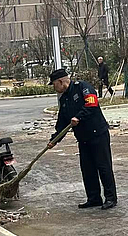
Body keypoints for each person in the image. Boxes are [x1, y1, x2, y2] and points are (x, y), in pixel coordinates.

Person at [48, 69, 117, 210]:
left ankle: (111, 198)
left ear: (60, 81)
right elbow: (62, 124)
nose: (54, 88)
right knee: (87, 169)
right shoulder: (64, 99)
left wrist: (78, 117)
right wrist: (54, 139)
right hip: (83, 138)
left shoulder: (82, 87)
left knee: (103, 167)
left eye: (54, 85)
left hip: (98, 134)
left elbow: (92, 104)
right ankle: (94, 198)